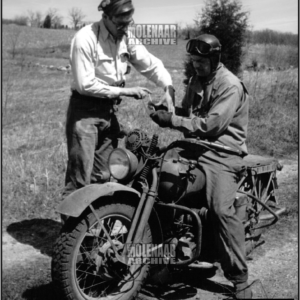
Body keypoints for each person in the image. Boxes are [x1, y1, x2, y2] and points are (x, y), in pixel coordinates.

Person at [149, 34, 252, 299]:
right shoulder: (196, 80)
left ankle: (239, 277)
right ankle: (170, 258)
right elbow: (186, 114)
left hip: (223, 153)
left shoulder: (230, 85)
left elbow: (211, 126)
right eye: (193, 60)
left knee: (220, 209)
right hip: (196, 147)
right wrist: (165, 111)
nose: (196, 65)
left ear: (215, 58)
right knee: (161, 181)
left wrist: (171, 121)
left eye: (201, 61)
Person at [62, 0, 175, 202]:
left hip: (109, 111)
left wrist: (168, 87)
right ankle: (70, 231)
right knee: (80, 176)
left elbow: (150, 64)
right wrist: (126, 91)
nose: (125, 28)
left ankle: (94, 226)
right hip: (85, 112)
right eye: (120, 24)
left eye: (128, 23)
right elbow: (85, 84)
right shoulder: (85, 39)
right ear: (105, 17)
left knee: (104, 174)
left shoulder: (126, 37)